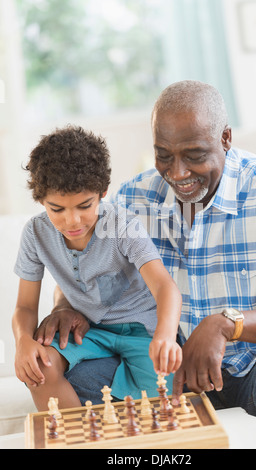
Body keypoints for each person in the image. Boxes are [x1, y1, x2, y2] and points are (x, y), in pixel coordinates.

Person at [35, 81, 256, 449]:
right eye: (164, 155)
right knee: (78, 373)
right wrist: (64, 306)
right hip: (164, 371)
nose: (177, 173)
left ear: (225, 138)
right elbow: (83, 272)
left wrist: (227, 325)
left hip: (253, 371)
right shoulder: (132, 199)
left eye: (194, 155)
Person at [12, 125, 182, 411]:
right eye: (57, 209)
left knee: (159, 407)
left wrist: (166, 336)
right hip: (90, 330)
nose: (72, 221)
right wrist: (22, 342)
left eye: (84, 205)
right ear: (40, 200)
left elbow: (165, 287)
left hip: (143, 331)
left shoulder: (122, 226)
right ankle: (75, 441)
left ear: (102, 192)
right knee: (39, 367)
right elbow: (25, 307)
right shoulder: (35, 233)